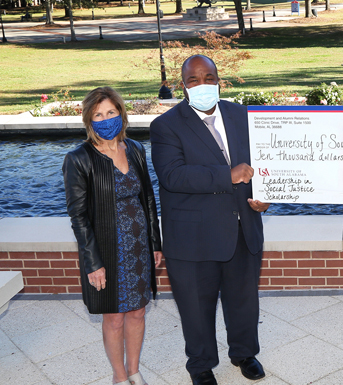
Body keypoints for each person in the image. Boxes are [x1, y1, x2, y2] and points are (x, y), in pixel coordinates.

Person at [150, 55, 269, 385]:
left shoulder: (241, 115)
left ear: (219, 80)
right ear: (183, 86)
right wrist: (227, 175)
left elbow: (262, 164)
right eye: (193, 80)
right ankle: (200, 365)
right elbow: (173, 175)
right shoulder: (165, 126)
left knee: (243, 301)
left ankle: (244, 353)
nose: (202, 84)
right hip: (193, 237)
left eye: (209, 77)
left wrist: (264, 196)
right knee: (196, 308)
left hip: (243, 228)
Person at [63, 87, 163, 385]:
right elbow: (78, 217)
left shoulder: (134, 148)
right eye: (98, 115)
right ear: (89, 121)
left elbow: (148, 198)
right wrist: (92, 262)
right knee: (114, 316)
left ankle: (134, 369)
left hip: (139, 248)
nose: (105, 119)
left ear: (121, 113)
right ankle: (119, 376)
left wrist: (155, 244)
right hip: (107, 250)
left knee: (137, 312)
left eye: (110, 112)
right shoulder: (78, 159)